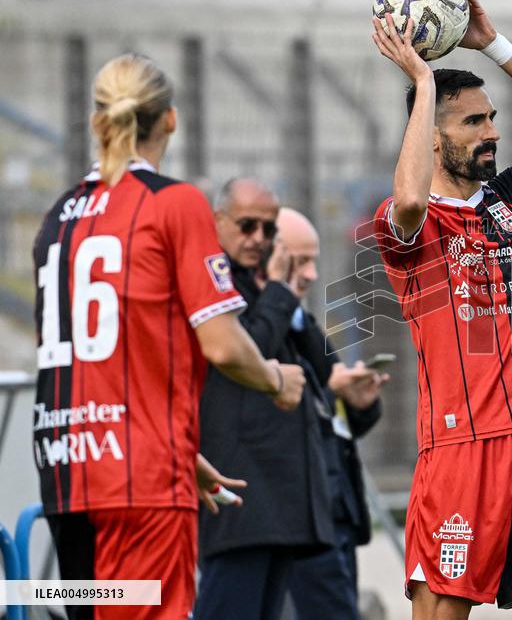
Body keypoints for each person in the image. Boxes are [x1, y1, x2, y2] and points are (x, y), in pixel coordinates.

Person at [31, 53, 304, 620]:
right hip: (140, 484)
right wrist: (276, 376)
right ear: (171, 121)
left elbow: (95, 356)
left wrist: (182, 451)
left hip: (66, 470)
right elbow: (224, 345)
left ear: (96, 121)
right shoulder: (174, 204)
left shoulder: (58, 216)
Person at [370, 0, 512, 620]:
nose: (491, 131)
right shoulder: (407, 225)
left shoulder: (510, 202)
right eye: (473, 122)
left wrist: (493, 45)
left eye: (492, 118)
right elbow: (410, 195)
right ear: (432, 137)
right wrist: (425, 84)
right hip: (463, 448)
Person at [195, 180, 350, 620]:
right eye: (247, 226)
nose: (258, 239)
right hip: (240, 492)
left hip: (278, 501)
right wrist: (279, 293)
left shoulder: (260, 286)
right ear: (218, 221)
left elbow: (313, 371)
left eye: (267, 229)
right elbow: (244, 352)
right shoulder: (214, 280)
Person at [276, 206, 389, 620]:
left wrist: (359, 403)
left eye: (313, 261)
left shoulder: (303, 324)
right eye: (298, 260)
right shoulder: (251, 327)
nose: (309, 274)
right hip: (297, 519)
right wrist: (327, 387)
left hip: (335, 511)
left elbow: (333, 414)